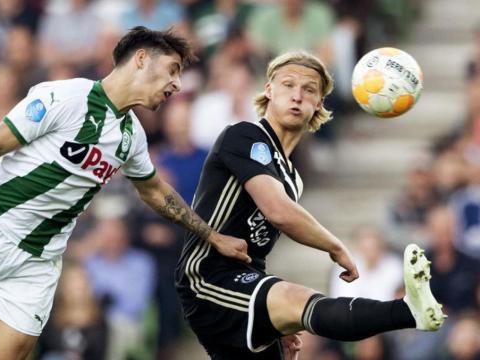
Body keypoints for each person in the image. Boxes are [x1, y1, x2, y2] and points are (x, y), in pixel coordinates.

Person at [0, 26, 252, 360]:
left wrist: (211, 235)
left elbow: (155, 191)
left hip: (37, 261)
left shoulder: (131, 138)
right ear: (141, 58)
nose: (177, 83)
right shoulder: (64, 96)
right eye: (173, 69)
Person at [175, 51, 447, 360]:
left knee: (294, 306)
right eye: (288, 85)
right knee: (299, 299)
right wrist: (336, 247)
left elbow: (257, 249)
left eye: (309, 90)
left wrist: (276, 318)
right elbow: (278, 212)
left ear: (319, 103)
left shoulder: (292, 178)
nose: (297, 96)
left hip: (242, 285)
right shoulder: (245, 136)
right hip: (206, 279)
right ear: (269, 91)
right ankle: (408, 312)